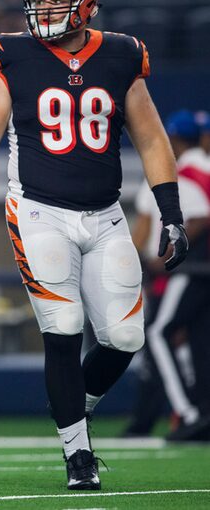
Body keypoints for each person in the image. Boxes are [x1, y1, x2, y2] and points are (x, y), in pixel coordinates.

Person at [0, 0, 188, 490]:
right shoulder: (10, 55)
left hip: (106, 214)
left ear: (85, 2)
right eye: (37, 1)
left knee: (127, 337)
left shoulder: (122, 54)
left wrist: (170, 211)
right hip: (38, 210)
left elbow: (151, 138)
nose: (45, 10)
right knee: (62, 329)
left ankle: (70, 406)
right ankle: (78, 457)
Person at [133, 111, 210, 441]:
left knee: (162, 333)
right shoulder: (199, 169)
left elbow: (199, 219)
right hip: (193, 271)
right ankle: (197, 410)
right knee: (195, 340)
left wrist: (164, 262)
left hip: (189, 269)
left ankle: (191, 413)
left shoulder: (182, 174)